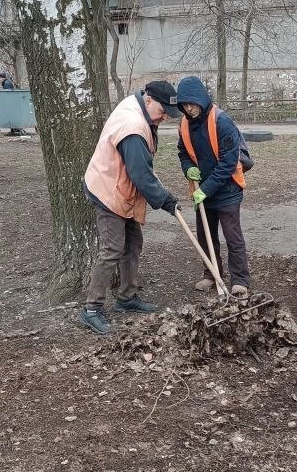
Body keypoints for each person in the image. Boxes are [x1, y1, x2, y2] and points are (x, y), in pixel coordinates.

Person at [79, 81, 181, 335]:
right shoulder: (133, 127)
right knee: (112, 249)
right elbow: (141, 175)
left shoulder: (137, 106)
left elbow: (141, 170)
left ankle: (127, 298)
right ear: (148, 100)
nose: (166, 117)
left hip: (122, 187)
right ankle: (91, 309)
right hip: (109, 190)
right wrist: (167, 201)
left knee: (133, 244)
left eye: (170, 113)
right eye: (163, 111)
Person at [176, 76, 250, 297]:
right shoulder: (184, 124)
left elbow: (228, 163)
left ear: (201, 98)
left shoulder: (222, 121)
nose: (189, 109)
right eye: (185, 105)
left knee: (232, 236)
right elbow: (182, 152)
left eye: (192, 103)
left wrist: (205, 189)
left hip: (227, 189)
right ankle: (211, 274)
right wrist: (187, 168)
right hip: (203, 192)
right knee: (205, 235)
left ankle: (240, 279)